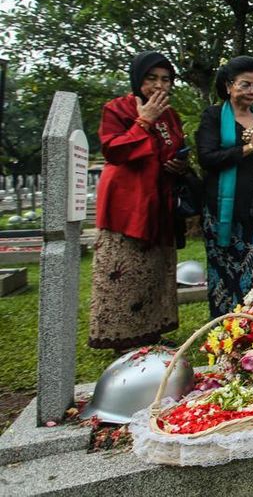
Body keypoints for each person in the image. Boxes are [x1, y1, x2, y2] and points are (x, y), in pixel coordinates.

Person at [89, 51, 187, 350]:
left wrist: (179, 165)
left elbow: (174, 149)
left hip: (160, 201)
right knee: (126, 270)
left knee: (155, 272)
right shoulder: (118, 108)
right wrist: (144, 120)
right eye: (151, 79)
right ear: (137, 80)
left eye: (165, 80)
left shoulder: (170, 116)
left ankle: (151, 332)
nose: (159, 86)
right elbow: (113, 150)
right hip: (127, 203)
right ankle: (120, 336)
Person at [197, 56, 253, 318]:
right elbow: (207, 158)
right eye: (245, 85)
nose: (252, 91)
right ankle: (225, 326)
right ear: (229, 85)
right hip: (224, 211)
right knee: (225, 273)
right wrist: (250, 147)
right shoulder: (213, 116)